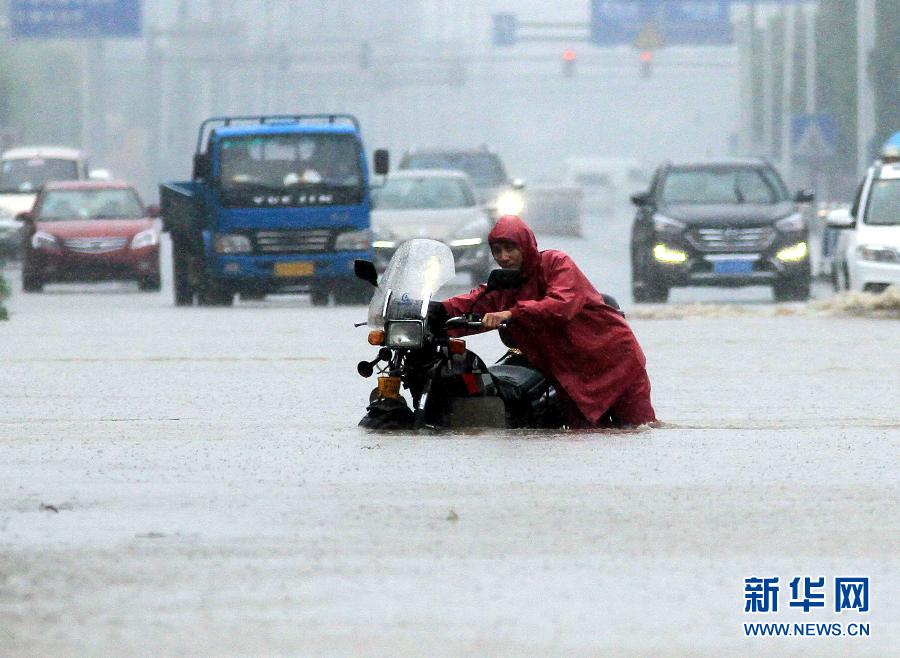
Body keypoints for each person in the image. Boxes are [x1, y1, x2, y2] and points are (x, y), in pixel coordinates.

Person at [441, 214, 657, 429]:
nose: (504, 257)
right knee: (582, 439)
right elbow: (472, 302)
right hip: (571, 375)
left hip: (615, 363)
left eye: (510, 248)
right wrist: (437, 310)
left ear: (526, 246)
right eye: (497, 251)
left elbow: (561, 305)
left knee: (639, 429)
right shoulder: (505, 283)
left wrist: (511, 314)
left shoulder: (556, 264)